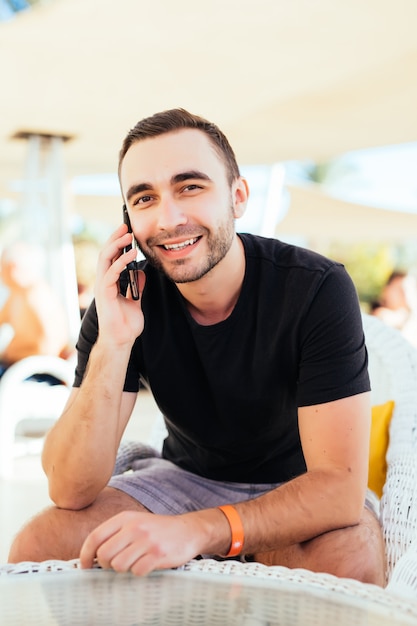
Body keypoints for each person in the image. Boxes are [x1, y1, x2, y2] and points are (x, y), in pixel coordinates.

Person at [8, 109, 385, 585]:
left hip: (296, 490)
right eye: (144, 198)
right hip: (184, 480)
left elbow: (336, 490)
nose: (169, 218)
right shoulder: (123, 302)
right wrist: (115, 341)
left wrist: (196, 532)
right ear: (128, 221)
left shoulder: (315, 288)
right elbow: (69, 486)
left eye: (190, 187)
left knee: (350, 563)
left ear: (238, 196)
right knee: (39, 544)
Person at [0, 241, 70, 373]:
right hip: (14, 367)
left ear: (12, 267)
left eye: (1, 267)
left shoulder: (37, 295)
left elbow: (50, 348)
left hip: (34, 372)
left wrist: (12, 355)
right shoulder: (16, 294)